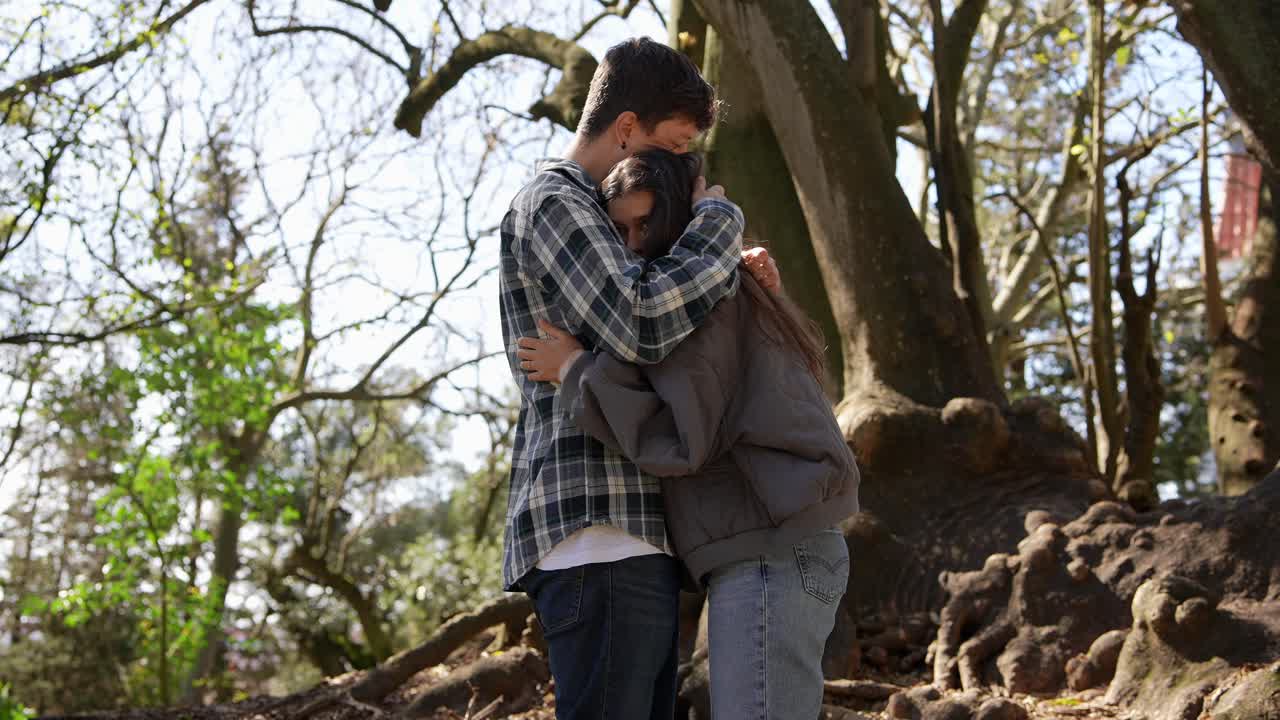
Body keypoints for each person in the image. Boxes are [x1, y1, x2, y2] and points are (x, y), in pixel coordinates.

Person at [517, 150, 860, 720]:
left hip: (771, 550)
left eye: (643, 223)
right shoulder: (727, 284)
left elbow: (681, 439)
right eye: (619, 230)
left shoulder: (704, 304)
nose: (629, 245)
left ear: (677, 216)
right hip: (772, 543)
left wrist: (575, 368)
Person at [498, 37, 778, 720]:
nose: (687, 165)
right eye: (678, 145)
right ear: (627, 130)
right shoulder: (555, 203)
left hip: (634, 538)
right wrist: (719, 221)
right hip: (598, 531)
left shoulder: (616, 221)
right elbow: (642, 320)